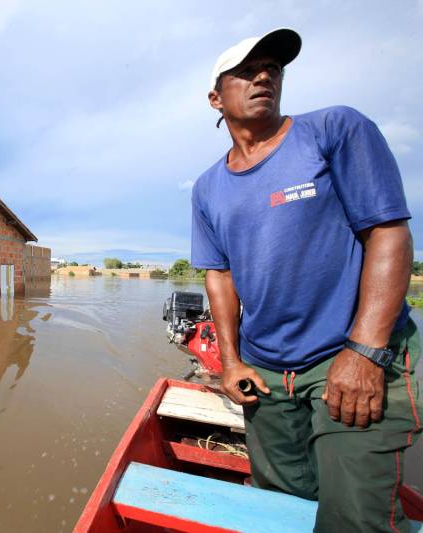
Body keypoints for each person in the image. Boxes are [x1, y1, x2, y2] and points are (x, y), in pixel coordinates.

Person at [191, 28, 421, 532]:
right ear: (216, 97)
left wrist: (364, 352)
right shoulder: (208, 188)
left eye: (272, 68)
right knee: (281, 504)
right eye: (246, 70)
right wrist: (230, 363)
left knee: (354, 518)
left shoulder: (333, 130)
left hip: (348, 356)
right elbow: (220, 275)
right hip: (266, 372)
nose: (263, 76)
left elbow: (387, 232)